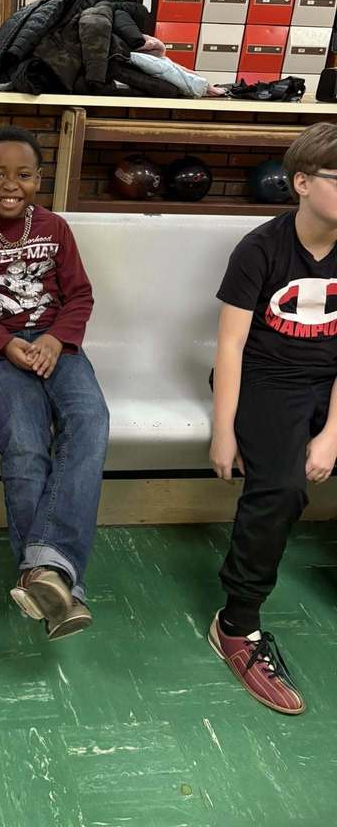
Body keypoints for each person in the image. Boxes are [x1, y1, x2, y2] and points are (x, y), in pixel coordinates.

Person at [0, 125, 109, 640]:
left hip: (56, 344)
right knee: (25, 435)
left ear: (39, 179)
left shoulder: (55, 228)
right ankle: (59, 578)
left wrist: (58, 340)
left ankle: (43, 571)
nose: (9, 185)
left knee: (90, 419)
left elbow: (79, 296)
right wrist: (2, 343)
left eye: (23, 174)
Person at [209, 122, 337, 715]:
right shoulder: (260, 248)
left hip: (327, 380)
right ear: (303, 183)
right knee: (281, 486)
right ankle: (237, 623)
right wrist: (222, 431)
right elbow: (230, 346)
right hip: (265, 376)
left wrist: (332, 434)